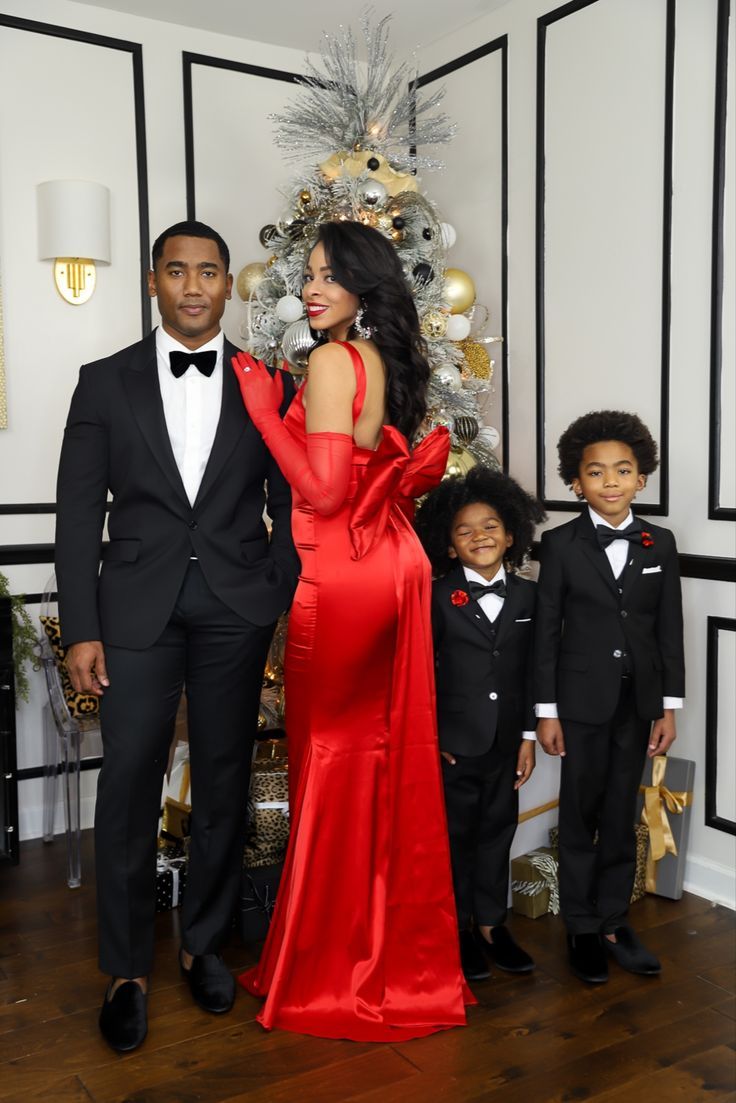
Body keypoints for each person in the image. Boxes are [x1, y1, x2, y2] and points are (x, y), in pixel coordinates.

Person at [55, 221, 300, 1052]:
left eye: (208, 272)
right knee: (128, 780)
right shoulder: (103, 382)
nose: (193, 286)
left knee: (226, 777)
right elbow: (79, 513)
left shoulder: (267, 380)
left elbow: (295, 493)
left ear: (230, 284)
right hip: (131, 612)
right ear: (154, 283)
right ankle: (126, 968)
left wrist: (276, 588)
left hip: (236, 606)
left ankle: (203, 944)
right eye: (176, 271)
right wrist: (81, 628)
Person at [230, 220, 472, 1041]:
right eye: (307, 274)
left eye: (329, 275)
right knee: (371, 757)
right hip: (388, 561)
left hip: (346, 569)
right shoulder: (379, 361)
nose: (310, 287)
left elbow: (326, 494)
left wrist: (267, 412)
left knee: (329, 758)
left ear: (365, 290)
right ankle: (375, 952)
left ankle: (330, 965)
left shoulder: (334, 360)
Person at [534, 410, 685, 984]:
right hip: (578, 704)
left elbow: (668, 628)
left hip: (638, 704)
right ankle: (579, 924)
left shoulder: (661, 543)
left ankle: (614, 920)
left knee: (622, 814)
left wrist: (668, 706)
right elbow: (547, 633)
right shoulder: (561, 544)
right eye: (597, 473)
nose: (612, 481)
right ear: (577, 482)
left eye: (623, 471)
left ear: (641, 477)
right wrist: (546, 712)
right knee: (580, 812)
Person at [415, 466, 545, 983]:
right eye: (464, 531)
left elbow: (539, 672)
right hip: (454, 745)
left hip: (508, 743)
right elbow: (418, 673)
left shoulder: (530, 598)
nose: (479, 537)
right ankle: (460, 928)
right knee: (456, 837)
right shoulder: (436, 596)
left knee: (498, 831)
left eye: (490, 526)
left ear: (510, 534)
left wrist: (530, 737)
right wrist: (430, 736)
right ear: (449, 546)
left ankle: (493, 924)